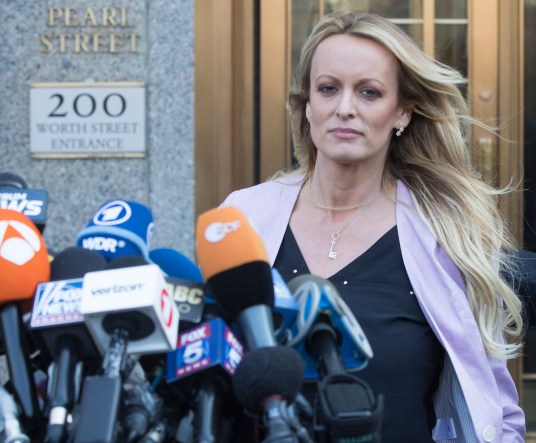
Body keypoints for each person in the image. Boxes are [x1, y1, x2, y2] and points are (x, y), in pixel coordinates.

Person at [220, 11, 526, 442]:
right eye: (328, 89)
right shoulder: (243, 216)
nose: (345, 108)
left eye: (368, 92)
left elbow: (495, 407)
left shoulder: (447, 233)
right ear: (307, 105)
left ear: (401, 111)